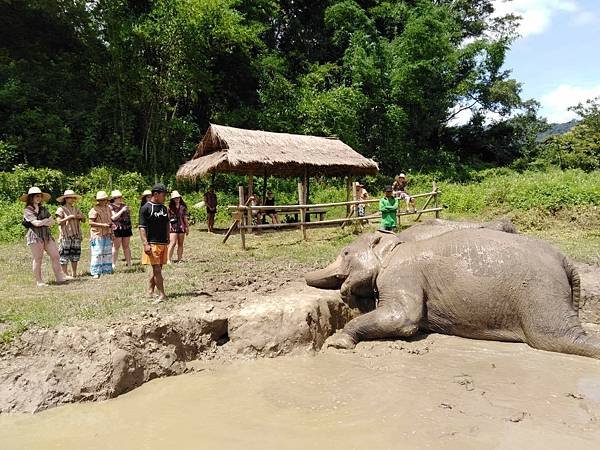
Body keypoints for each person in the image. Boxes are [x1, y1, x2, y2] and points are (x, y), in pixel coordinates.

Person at [21, 187, 69, 286]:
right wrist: (45, 221)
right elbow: (36, 223)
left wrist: (43, 222)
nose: (39, 198)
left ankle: (59, 277)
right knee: (38, 258)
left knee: (55, 255)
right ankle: (39, 281)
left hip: (46, 234)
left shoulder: (43, 209)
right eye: (37, 196)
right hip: (35, 236)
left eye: (40, 196)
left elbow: (52, 221)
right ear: (31, 197)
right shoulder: (27, 210)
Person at [139, 183, 170, 302]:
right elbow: (142, 227)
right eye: (163, 195)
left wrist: (168, 236)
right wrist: (145, 243)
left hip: (163, 243)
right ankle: (162, 294)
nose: (165, 197)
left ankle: (150, 291)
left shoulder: (164, 208)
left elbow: (167, 223)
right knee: (157, 269)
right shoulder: (146, 208)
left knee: (158, 269)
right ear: (156, 194)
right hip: (152, 243)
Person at [55, 189, 85, 277]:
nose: (72, 199)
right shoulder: (60, 209)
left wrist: (80, 217)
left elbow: (83, 219)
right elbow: (59, 222)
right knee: (64, 254)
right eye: (70, 198)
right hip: (66, 234)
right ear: (66, 199)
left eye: (73, 198)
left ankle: (74, 273)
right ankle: (65, 273)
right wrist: (69, 217)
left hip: (76, 233)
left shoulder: (76, 208)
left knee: (75, 254)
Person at [88, 191, 114, 279]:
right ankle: (96, 271)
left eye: (104, 199)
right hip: (97, 233)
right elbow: (90, 222)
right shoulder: (94, 209)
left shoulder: (108, 208)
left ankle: (106, 270)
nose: (103, 201)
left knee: (107, 252)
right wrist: (103, 225)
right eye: (101, 200)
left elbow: (110, 220)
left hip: (107, 233)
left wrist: (111, 230)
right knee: (97, 253)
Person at [109, 190, 133, 269]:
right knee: (116, 246)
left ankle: (129, 263)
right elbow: (113, 217)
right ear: (114, 198)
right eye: (118, 197)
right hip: (117, 228)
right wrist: (122, 210)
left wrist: (128, 211)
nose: (120, 199)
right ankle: (113, 264)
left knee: (126, 246)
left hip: (126, 227)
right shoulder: (111, 206)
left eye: (121, 197)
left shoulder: (124, 205)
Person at [167, 190, 189, 264]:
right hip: (173, 227)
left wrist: (187, 227)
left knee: (180, 243)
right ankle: (168, 259)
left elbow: (185, 218)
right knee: (172, 243)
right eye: (175, 198)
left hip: (181, 226)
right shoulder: (169, 207)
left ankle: (179, 259)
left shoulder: (183, 207)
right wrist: (168, 227)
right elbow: (168, 219)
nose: (177, 199)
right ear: (172, 199)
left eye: (178, 198)